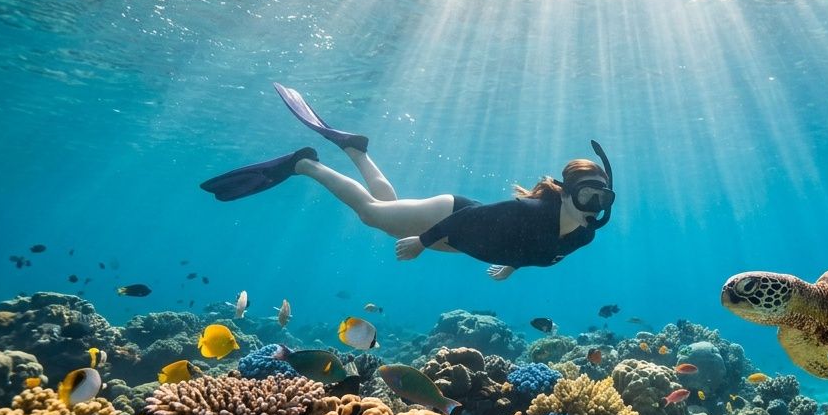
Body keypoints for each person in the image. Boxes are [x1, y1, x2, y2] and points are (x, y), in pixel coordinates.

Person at [200, 84, 614, 280]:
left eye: (602, 196)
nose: (593, 203)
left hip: (463, 239)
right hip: (451, 217)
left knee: (388, 209)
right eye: (587, 193)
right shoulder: (533, 211)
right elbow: (468, 220)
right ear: (566, 191)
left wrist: (511, 266)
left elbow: (538, 250)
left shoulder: (584, 236)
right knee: (371, 215)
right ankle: (304, 165)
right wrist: (421, 243)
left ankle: (356, 150)